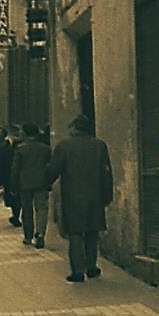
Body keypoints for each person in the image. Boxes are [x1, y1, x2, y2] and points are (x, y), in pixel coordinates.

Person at [46, 114, 113, 283]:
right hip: (95, 195)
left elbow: (54, 169)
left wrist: (46, 183)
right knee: (92, 231)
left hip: (72, 196)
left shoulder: (64, 146)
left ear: (74, 127)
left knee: (75, 233)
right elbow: (106, 173)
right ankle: (91, 267)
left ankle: (77, 270)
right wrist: (107, 195)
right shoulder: (100, 145)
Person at [11, 122, 51, 248]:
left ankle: (28, 236)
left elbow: (15, 169)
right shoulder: (45, 148)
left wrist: (13, 185)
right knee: (42, 209)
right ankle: (40, 234)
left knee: (27, 210)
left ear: (26, 133)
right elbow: (50, 166)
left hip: (25, 183)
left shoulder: (20, 149)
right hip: (41, 182)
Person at [0, 125, 23, 227]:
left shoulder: (7, 152)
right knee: (19, 200)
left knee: (14, 200)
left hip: (10, 179)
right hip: (20, 179)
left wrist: (1, 180)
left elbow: (3, 167)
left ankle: (16, 216)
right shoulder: (15, 152)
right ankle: (17, 216)